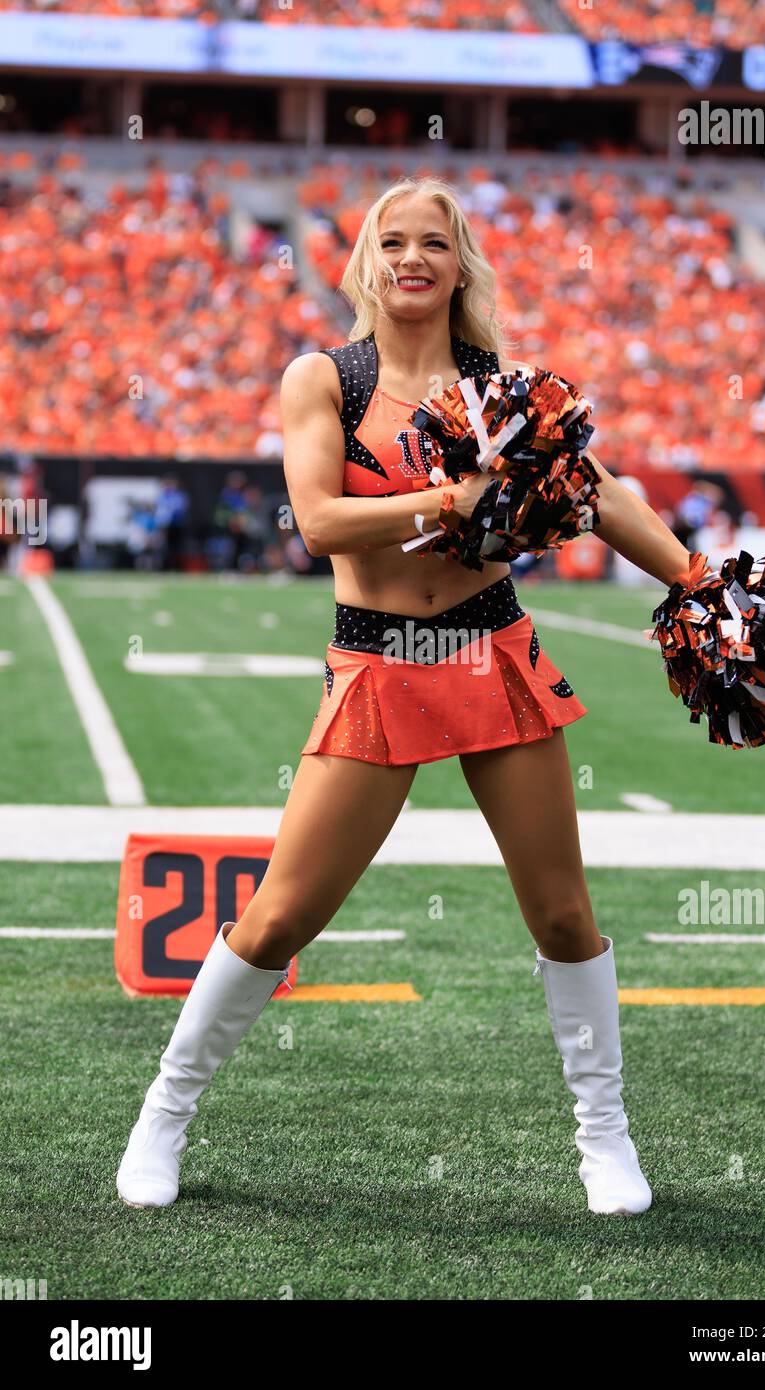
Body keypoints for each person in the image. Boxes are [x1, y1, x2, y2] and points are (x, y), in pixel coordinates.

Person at [117, 176, 693, 1216]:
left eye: (434, 242)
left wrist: (696, 585)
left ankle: (604, 1136)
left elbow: (598, 493)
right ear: (367, 261)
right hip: (377, 661)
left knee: (564, 916)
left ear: (461, 262)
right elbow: (323, 523)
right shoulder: (323, 379)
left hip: (491, 650)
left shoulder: (507, 386)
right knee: (282, 914)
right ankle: (165, 1109)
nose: (413, 258)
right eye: (394, 242)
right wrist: (444, 497)